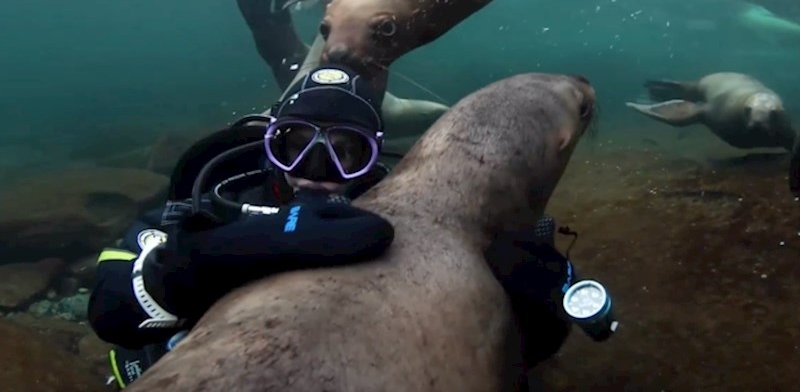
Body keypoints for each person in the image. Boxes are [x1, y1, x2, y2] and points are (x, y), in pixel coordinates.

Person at [88, 62, 587, 389]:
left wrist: (536, 297)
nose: (315, 167)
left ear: (374, 158)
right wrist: (202, 259)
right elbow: (109, 311)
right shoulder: (211, 203)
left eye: (346, 151)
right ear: (270, 144)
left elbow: (532, 352)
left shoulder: (425, 217)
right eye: (294, 144)